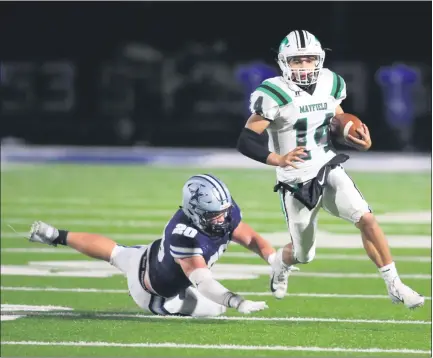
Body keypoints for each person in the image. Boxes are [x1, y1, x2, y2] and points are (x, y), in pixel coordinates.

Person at [236, 30, 424, 309]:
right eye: (297, 61)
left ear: (319, 60)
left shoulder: (330, 82)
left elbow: (336, 116)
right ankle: (279, 264)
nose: (304, 67)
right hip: (296, 180)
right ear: (284, 63)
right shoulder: (273, 92)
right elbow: (246, 140)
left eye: (309, 60)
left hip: (327, 165)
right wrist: (277, 159)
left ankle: (395, 284)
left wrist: (356, 135)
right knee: (303, 255)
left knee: (367, 219)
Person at [27, 174, 277, 316]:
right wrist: (237, 301)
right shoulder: (185, 236)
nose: (223, 218)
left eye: (224, 211)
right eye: (215, 214)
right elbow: (205, 282)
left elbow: (252, 239)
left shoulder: (223, 211)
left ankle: (55, 234)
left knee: (117, 253)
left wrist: (274, 259)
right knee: (217, 311)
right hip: (154, 295)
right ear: (195, 211)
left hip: (147, 255)